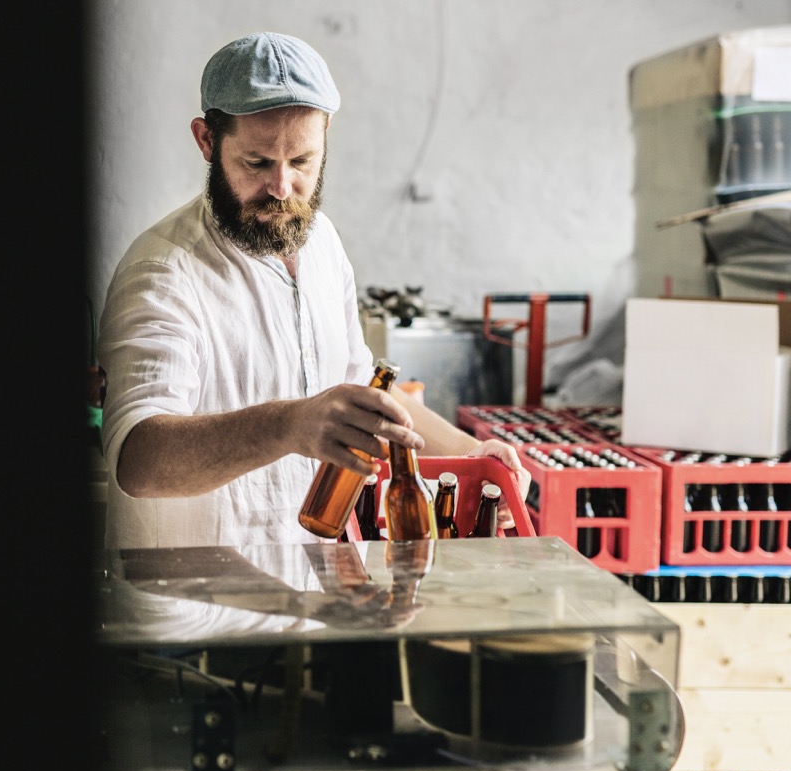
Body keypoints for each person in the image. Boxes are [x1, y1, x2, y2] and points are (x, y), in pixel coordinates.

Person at [97, 31, 530, 551]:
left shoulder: (322, 243)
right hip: (193, 614)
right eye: (256, 163)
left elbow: (362, 391)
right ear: (207, 141)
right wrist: (289, 425)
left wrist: (474, 454)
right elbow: (139, 462)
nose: (282, 188)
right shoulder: (163, 272)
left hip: (306, 593)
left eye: (302, 161)